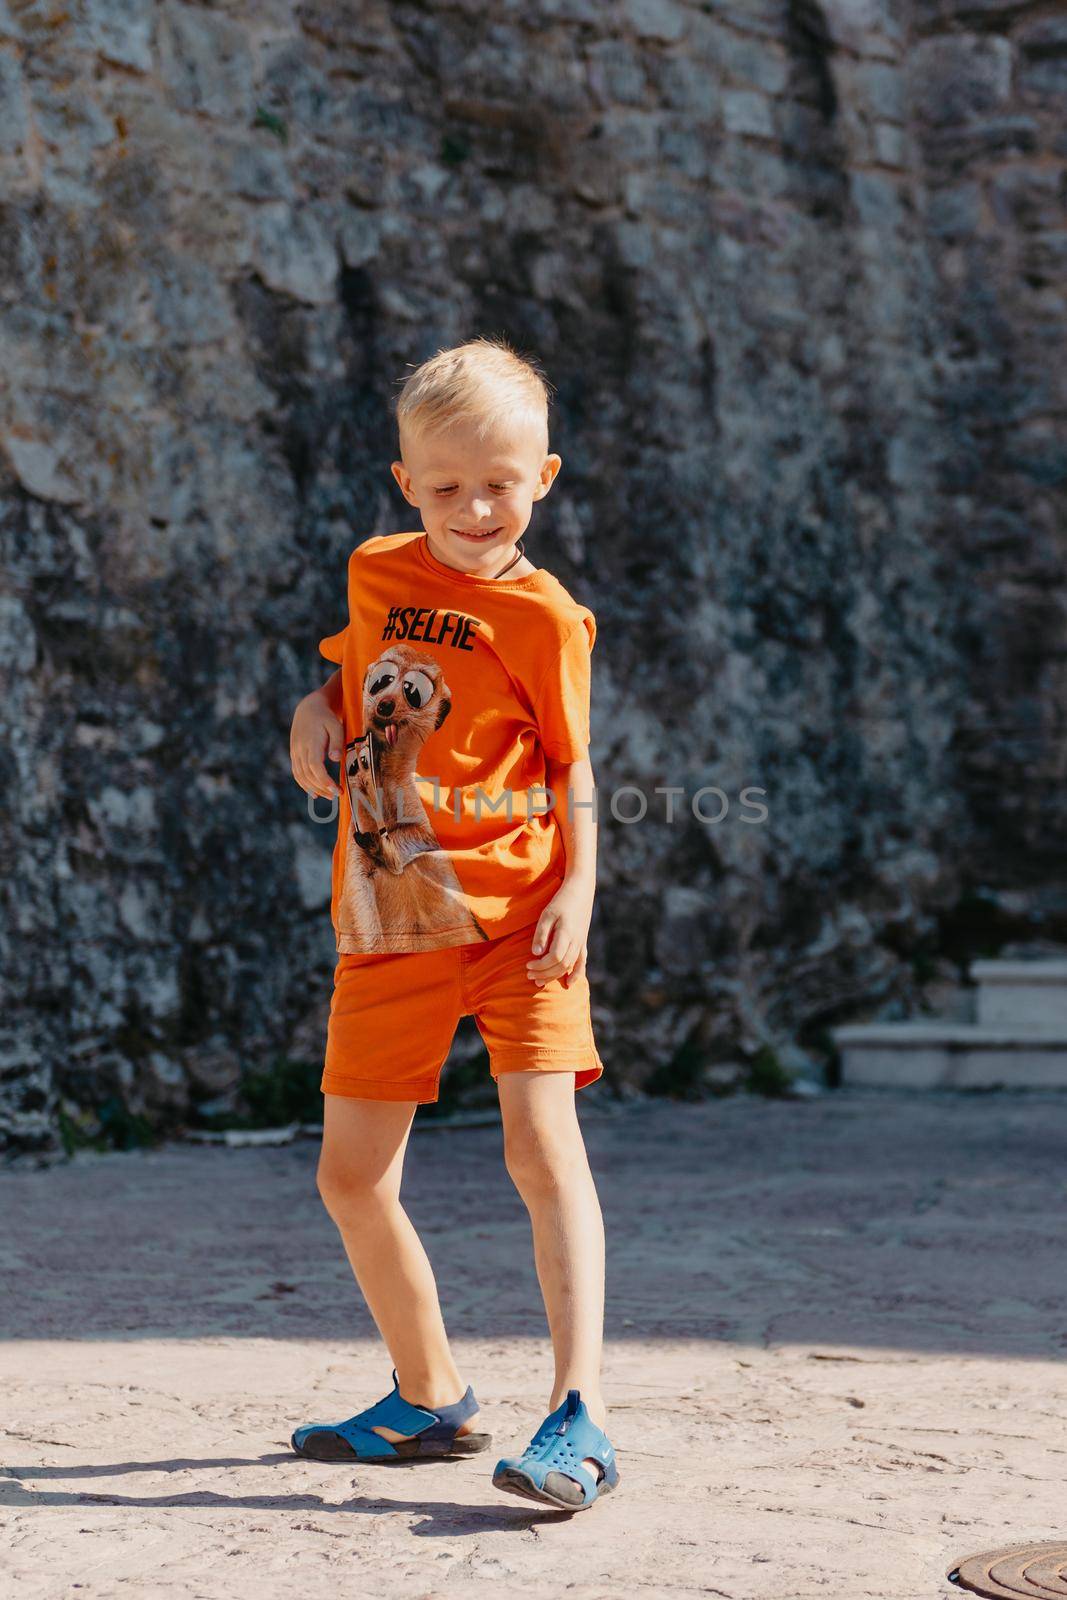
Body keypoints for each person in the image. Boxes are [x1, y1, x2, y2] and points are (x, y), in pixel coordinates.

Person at [286, 336, 619, 1511]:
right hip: (387, 917)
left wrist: (579, 890)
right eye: (446, 485)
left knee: (540, 1152)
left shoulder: (543, 616)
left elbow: (575, 766)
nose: (476, 507)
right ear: (404, 483)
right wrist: (309, 711)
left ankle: (576, 1416)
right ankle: (428, 1399)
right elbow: (348, 672)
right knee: (349, 1175)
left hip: (522, 917)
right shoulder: (374, 570)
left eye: (502, 481)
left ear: (546, 476)